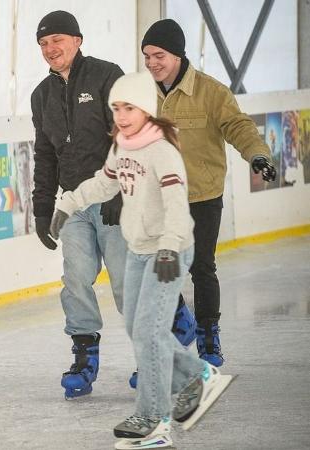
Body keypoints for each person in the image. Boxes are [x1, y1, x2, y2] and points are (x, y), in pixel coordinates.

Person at [51, 71, 234, 450]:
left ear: (146, 109)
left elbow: (176, 204)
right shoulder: (123, 145)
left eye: (129, 107)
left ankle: (154, 419)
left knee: (150, 333)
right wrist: (68, 203)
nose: (120, 114)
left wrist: (168, 245)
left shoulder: (162, 150)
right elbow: (105, 183)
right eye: (116, 107)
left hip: (167, 250)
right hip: (138, 250)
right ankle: (200, 376)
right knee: (138, 329)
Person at [142, 19, 277, 366]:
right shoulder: (140, 94)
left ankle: (207, 336)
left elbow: (239, 127)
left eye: (159, 55)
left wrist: (258, 156)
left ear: (177, 54)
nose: (152, 63)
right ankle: (174, 329)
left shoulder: (211, 92)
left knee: (201, 268)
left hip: (202, 196)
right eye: (146, 57)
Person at [30, 10, 135, 398]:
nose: (49, 49)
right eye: (42, 43)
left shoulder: (107, 75)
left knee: (126, 282)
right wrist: (43, 209)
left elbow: (130, 133)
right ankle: (84, 355)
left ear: (77, 40)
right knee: (75, 279)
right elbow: (44, 154)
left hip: (113, 198)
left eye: (56, 40)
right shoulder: (41, 95)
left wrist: (123, 189)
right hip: (74, 202)